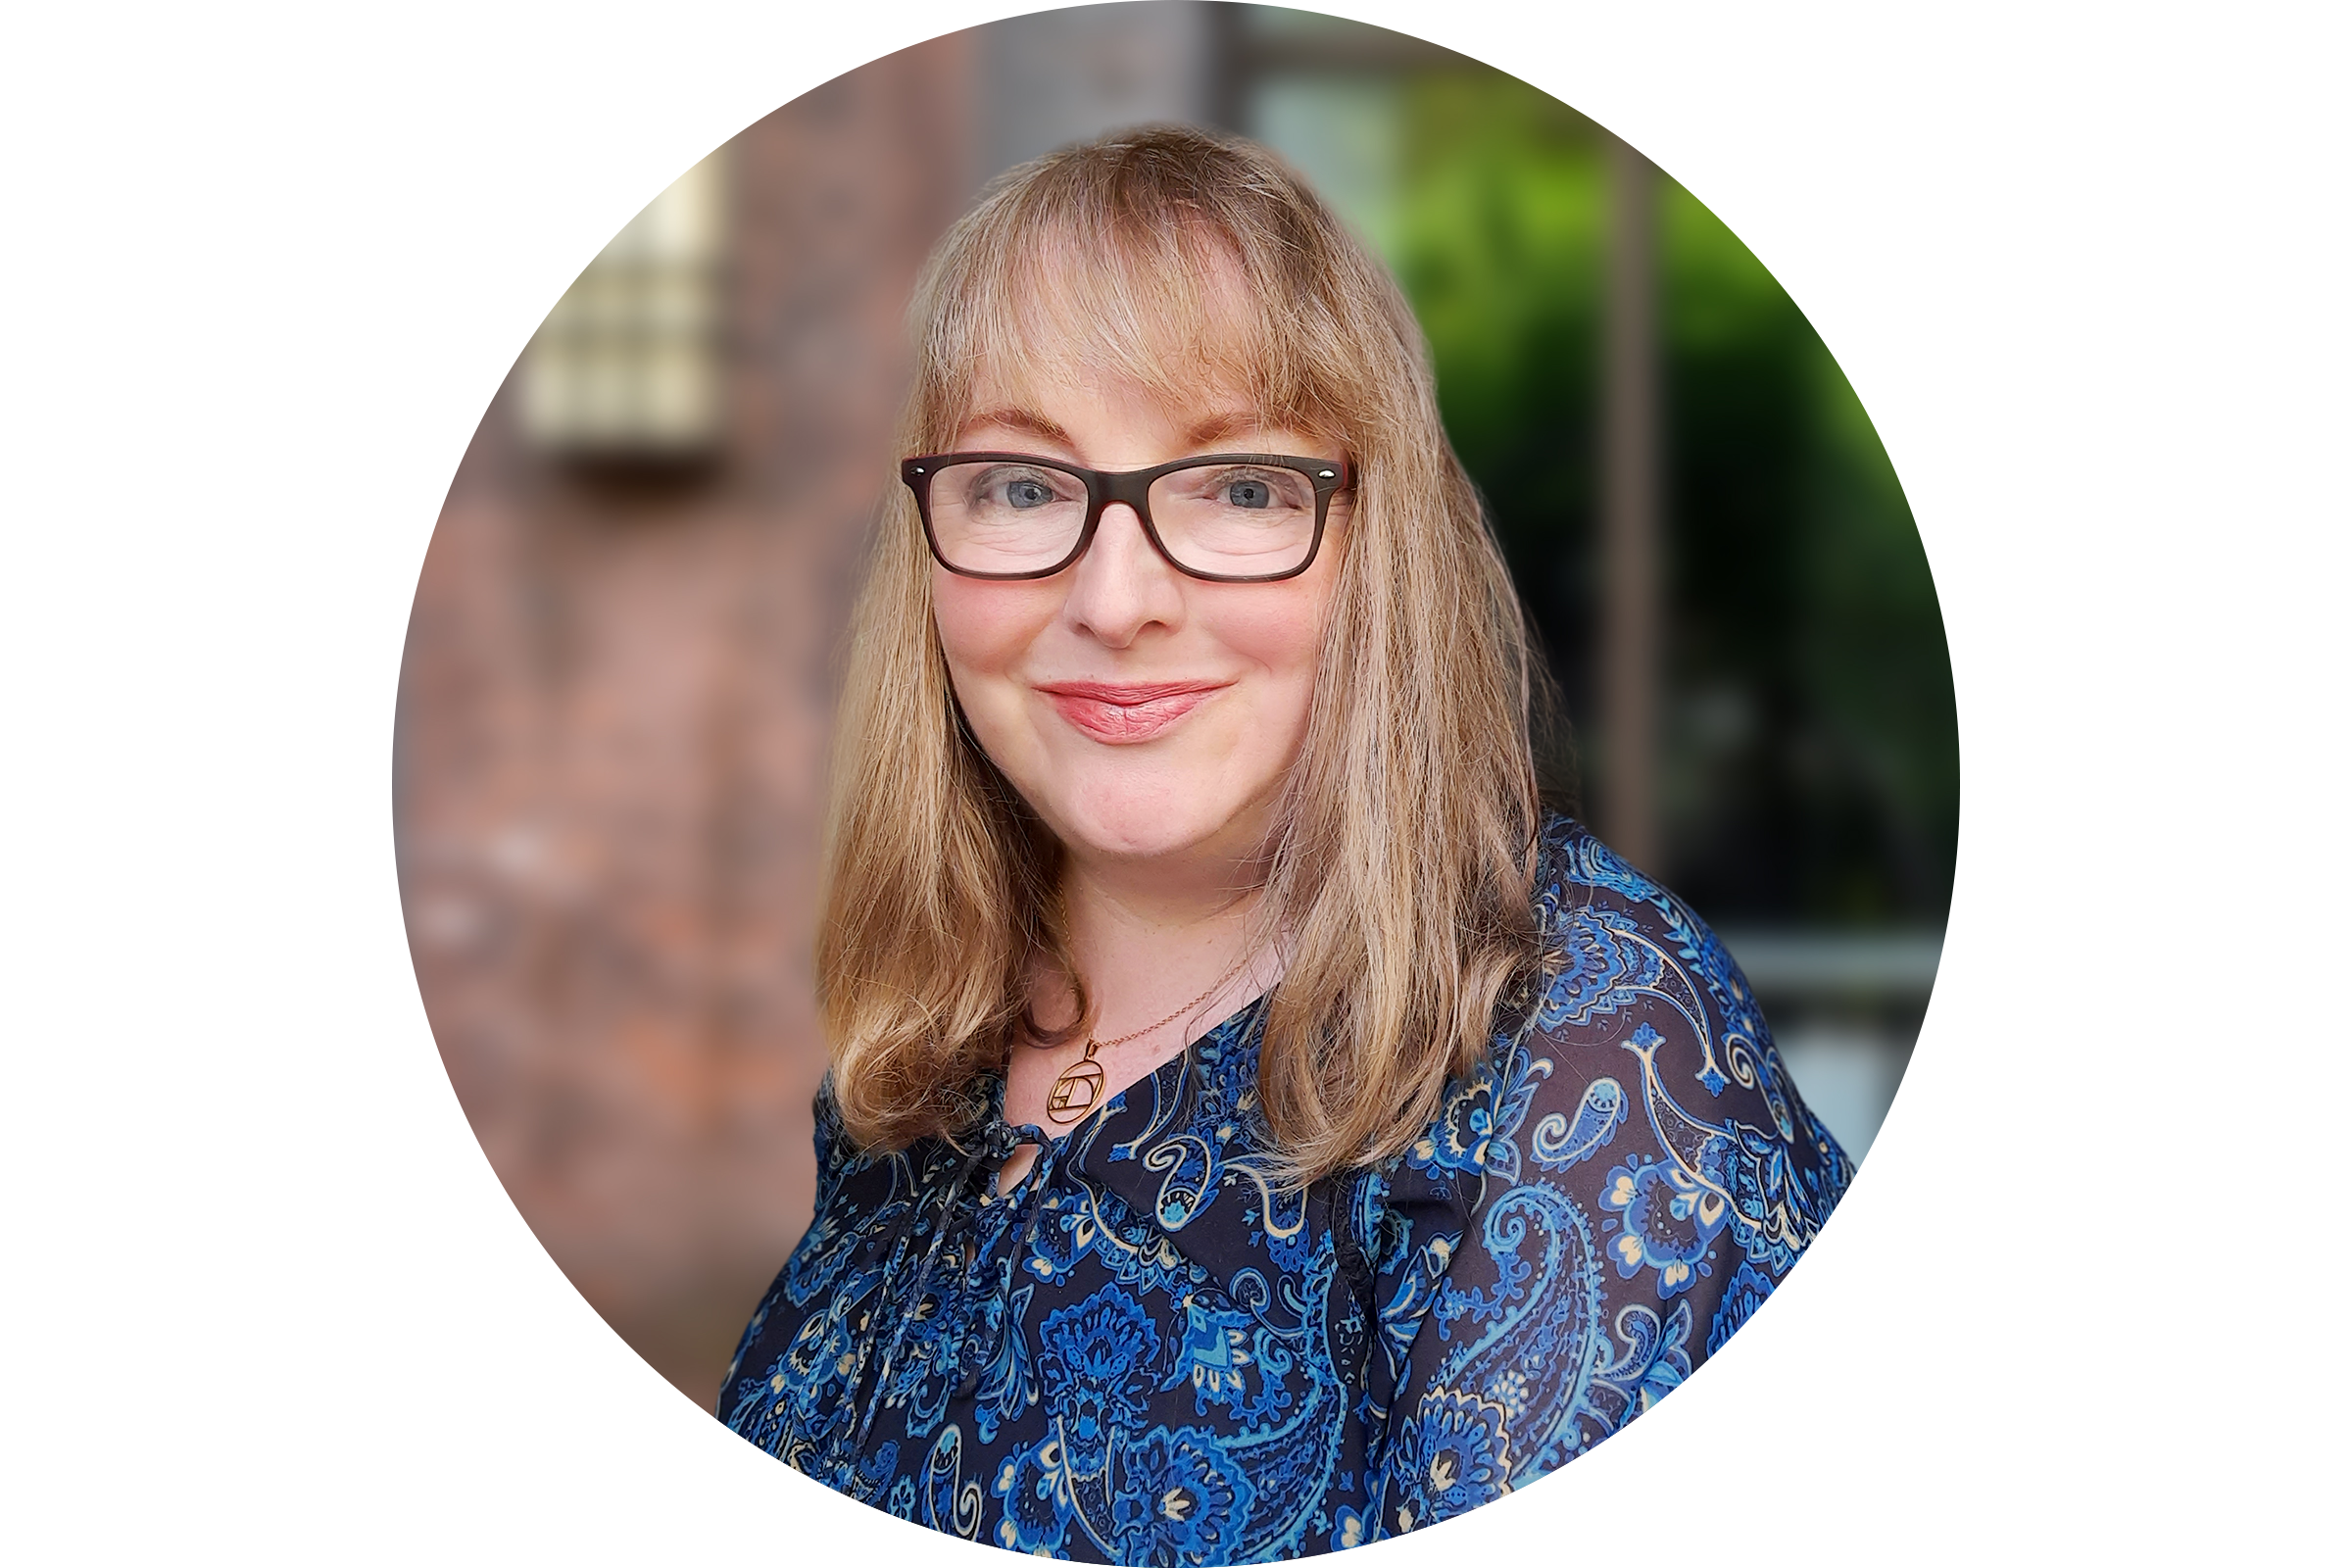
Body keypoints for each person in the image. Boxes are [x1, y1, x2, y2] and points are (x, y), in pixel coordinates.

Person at [719, 124, 1851, 1565]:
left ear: (1379, 540)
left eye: (1240, 487)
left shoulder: (1589, 1052)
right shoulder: (919, 1065)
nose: (1113, 596)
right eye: (1019, 485)